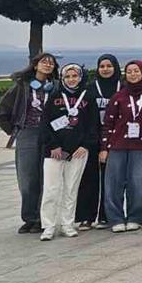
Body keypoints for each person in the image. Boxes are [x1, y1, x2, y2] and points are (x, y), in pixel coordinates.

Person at [0, 52, 58, 234]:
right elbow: (3, 110)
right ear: (35, 65)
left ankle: (42, 218)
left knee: (46, 178)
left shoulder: (55, 87)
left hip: (50, 135)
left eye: (51, 63)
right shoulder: (22, 86)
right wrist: (15, 130)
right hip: (28, 134)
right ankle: (29, 218)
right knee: (27, 178)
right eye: (44, 62)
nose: (47, 65)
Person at [37, 62, 97, 240]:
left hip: (78, 151)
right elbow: (45, 124)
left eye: (75, 76)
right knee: (51, 190)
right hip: (54, 152)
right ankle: (48, 225)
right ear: (62, 78)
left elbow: (93, 125)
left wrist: (85, 145)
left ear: (80, 77)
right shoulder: (54, 96)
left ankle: (67, 223)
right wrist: (53, 145)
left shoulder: (89, 97)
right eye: (68, 76)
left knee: (71, 189)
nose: (71, 79)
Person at [100, 59, 142, 233]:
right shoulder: (118, 96)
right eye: (129, 71)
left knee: (138, 183)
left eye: (136, 71)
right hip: (117, 146)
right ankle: (115, 218)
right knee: (113, 183)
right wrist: (104, 147)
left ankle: (135, 216)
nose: (133, 74)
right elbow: (108, 123)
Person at [76, 54, 118, 229]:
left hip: (114, 139)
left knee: (110, 179)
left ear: (115, 68)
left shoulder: (121, 88)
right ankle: (86, 216)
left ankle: (106, 214)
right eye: (102, 66)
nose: (106, 69)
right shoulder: (90, 89)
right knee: (88, 179)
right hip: (92, 138)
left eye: (109, 66)